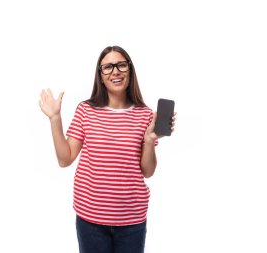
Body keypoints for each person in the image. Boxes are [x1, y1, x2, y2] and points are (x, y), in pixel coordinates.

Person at [39, 45, 176, 253]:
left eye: (121, 65)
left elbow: (148, 171)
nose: (115, 71)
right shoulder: (86, 111)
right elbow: (64, 159)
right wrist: (55, 119)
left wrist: (150, 140)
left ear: (130, 70)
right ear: (100, 75)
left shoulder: (145, 115)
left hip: (132, 220)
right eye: (107, 67)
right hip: (90, 219)